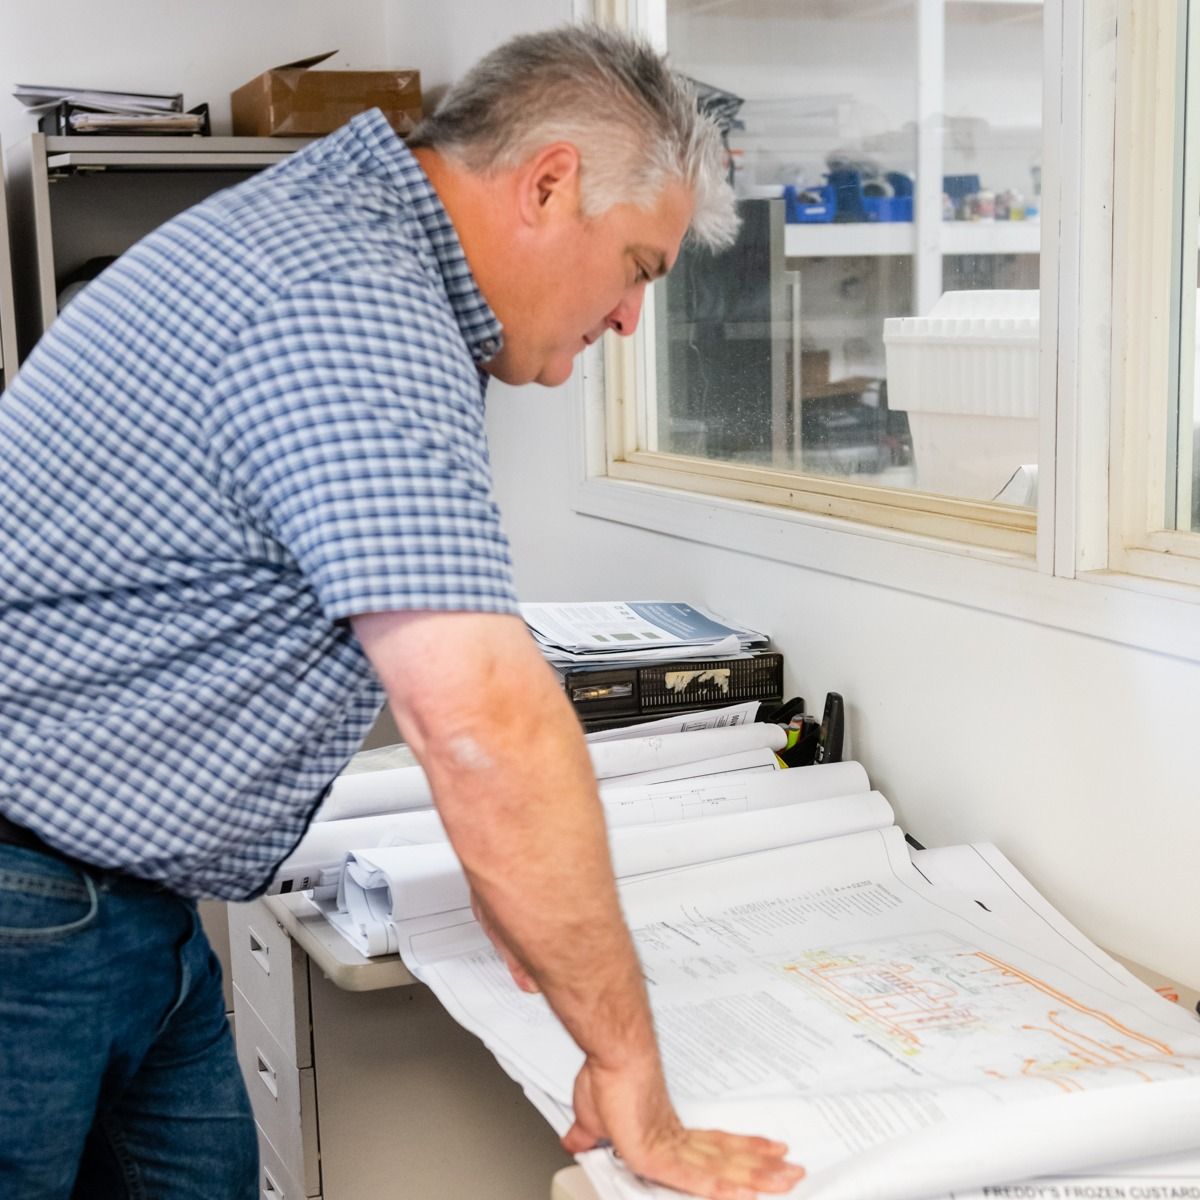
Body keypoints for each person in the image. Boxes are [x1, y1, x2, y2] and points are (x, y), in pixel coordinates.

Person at [0, 23, 805, 1200]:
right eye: (639, 266)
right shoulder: (350, 298)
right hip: (31, 913)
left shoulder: (344, 240)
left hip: (120, 901)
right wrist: (627, 1067)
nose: (633, 320)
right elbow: (481, 718)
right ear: (549, 183)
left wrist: (509, 862)